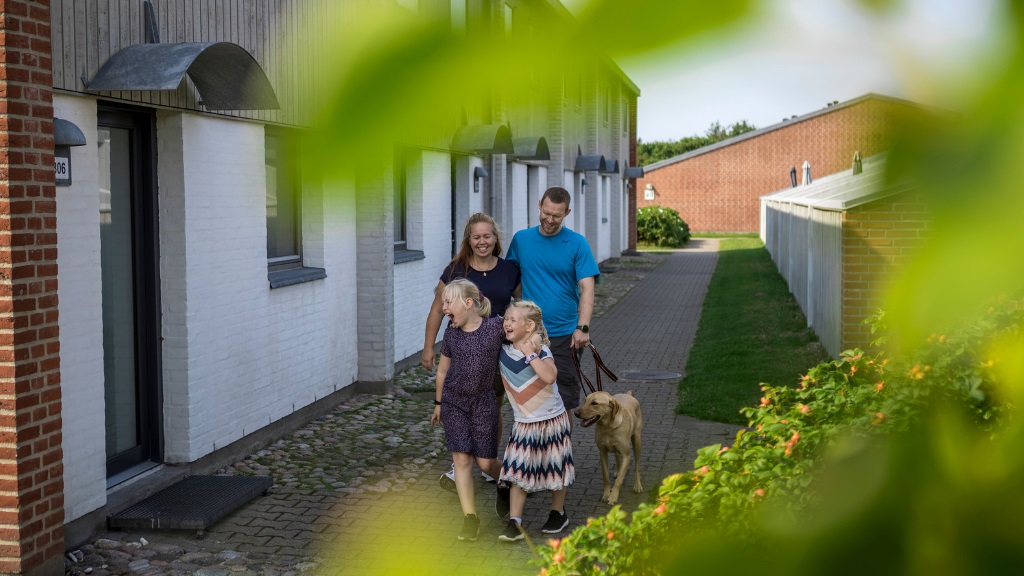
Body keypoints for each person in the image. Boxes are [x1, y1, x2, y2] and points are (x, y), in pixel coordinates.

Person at [422, 213, 520, 492]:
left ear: (495, 238)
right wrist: (429, 347)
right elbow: (436, 310)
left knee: (492, 405)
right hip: (462, 350)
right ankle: (460, 462)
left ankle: (488, 460)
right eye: (476, 237)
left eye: (487, 236)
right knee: (459, 402)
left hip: (499, 350)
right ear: (468, 239)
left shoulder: (509, 270)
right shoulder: (455, 270)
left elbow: (522, 306)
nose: (482, 242)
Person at [505, 187, 599, 414]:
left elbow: (587, 288)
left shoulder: (577, 243)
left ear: (567, 212)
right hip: (528, 334)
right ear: (539, 204)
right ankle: (536, 447)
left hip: (565, 335)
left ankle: (562, 449)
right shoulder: (522, 239)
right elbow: (511, 277)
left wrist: (582, 328)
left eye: (556, 215)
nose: (550, 219)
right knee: (530, 395)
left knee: (564, 399)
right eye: (546, 212)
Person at [429, 279, 507, 541]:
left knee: (485, 463)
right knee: (461, 460)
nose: (444, 308)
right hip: (454, 403)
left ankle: (505, 481)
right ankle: (470, 518)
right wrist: (439, 403)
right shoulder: (451, 334)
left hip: (484, 401)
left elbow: (523, 332)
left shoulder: (495, 327)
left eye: (449, 302)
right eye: (443, 303)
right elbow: (442, 371)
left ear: (469, 303)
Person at [496, 300, 575, 541]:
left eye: (513, 320)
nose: (506, 323)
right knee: (518, 470)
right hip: (523, 422)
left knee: (556, 466)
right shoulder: (502, 349)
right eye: (506, 319)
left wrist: (531, 353)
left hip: (551, 418)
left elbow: (550, 376)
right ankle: (515, 522)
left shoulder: (542, 351)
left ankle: (558, 512)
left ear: (529, 326)